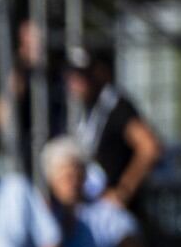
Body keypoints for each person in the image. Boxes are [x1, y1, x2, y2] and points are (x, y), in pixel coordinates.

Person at [43, 137, 149, 247]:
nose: (71, 181)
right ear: (51, 179)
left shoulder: (109, 216)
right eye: (63, 175)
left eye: (75, 173)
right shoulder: (44, 217)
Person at [66, 46, 162, 214]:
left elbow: (150, 147)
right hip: (92, 206)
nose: (77, 82)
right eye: (73, 76)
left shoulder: (115, 105)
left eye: (84, 76)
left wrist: (123, 191)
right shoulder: (84, 108)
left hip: (116, 213)